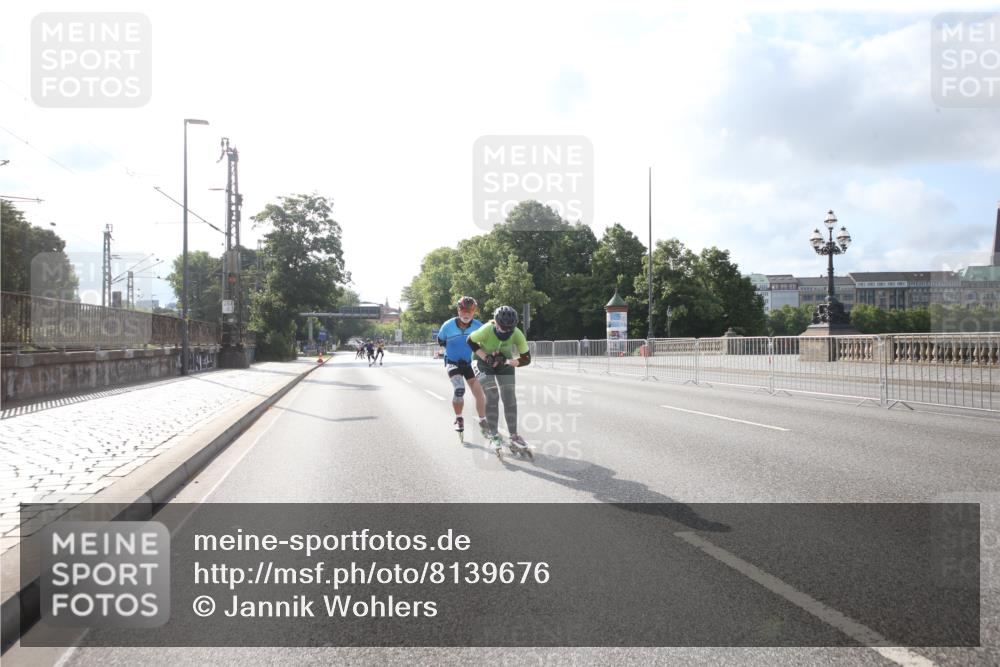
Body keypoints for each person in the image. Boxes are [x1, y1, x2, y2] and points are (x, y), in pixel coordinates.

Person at [467, 305, 531, 455]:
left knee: (509, 397)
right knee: (492, 394)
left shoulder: (517, 333)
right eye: (502, 328)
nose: (505, 331)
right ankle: (494, 433)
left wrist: (509, 361)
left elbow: (526, 359)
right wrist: (485, 356)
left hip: (504, 362)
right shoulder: (486, 329)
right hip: (481, 361)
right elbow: (470, 341)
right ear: (495, 322)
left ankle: (514, 435)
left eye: (509, 329)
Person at [437, 297, 488, 438]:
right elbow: (441, 340)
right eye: (464, 310)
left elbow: (487, 340)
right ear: (458, 310)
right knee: (459, 389)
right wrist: (443, 350)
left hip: (471, 363)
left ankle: (483, 420)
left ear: (474, 311)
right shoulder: (448, 325)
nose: (467, 314)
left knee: (479, 393)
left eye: (470, 311)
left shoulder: (479, 326)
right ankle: (459, 417)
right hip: (453, 362)